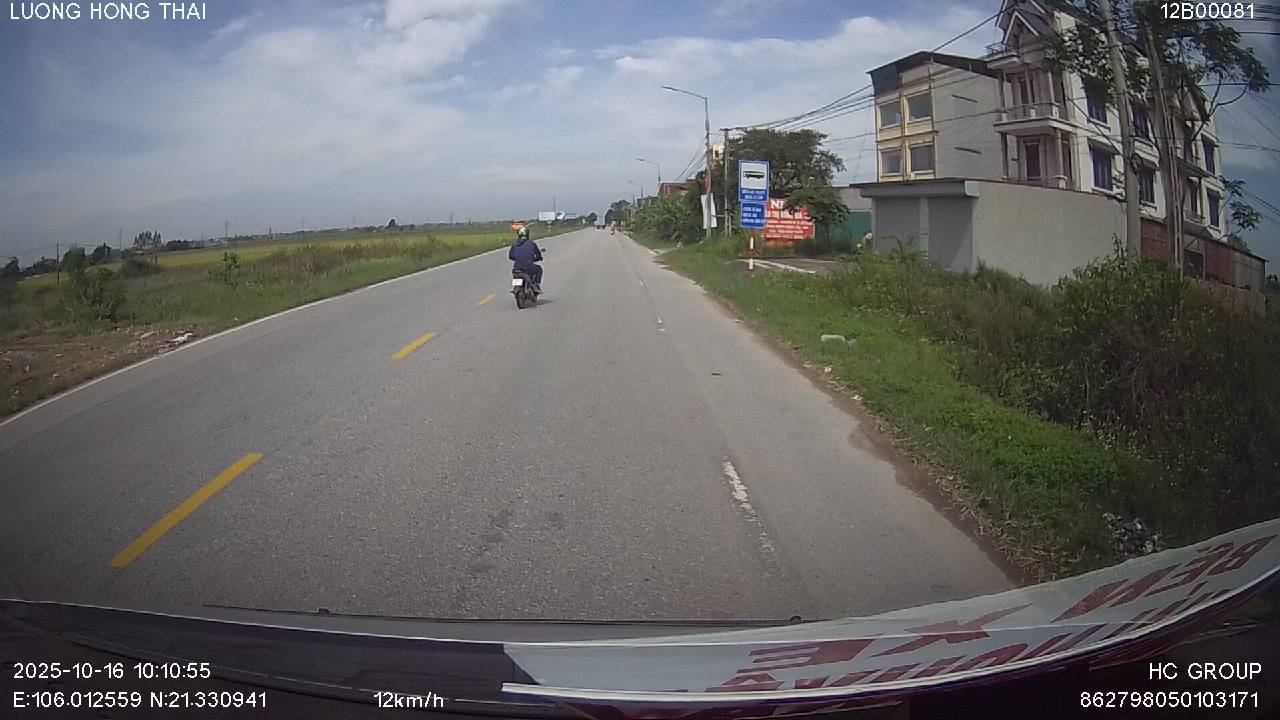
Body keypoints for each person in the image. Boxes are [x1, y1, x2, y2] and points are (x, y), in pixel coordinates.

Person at [508, 226, 543, 293]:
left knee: (515, 274)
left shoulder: (514, 244)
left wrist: (517, 258)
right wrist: (537, 258)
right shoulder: (532, 243)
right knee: (539, 269)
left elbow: (510, 256)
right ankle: (537, 285)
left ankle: (516, 287)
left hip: (516, 268)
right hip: (529, 267)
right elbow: (538, 255)